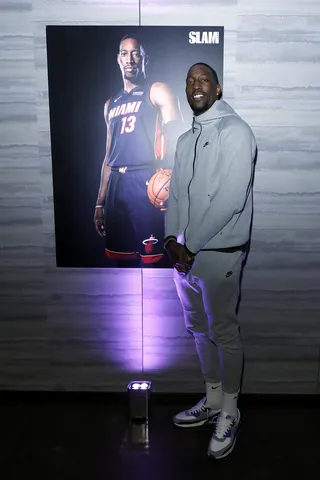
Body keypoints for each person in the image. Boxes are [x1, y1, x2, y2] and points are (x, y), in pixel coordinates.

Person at [164, 62, 257, 459]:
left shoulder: (237, 132)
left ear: (217, 89)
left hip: (219, 254)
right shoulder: (185, 140)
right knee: (199, 330)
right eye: (189, 80)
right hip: (183, 259)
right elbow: (177, 197)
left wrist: (191, 244)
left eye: (203, 79)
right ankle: (213, 401)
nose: (195, 85)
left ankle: (232, 412)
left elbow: (231, 199)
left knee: (224, 332)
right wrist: (171, 239)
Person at [94, 34, 182, 266]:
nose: (130, 59)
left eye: (135, 53)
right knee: (120, 261)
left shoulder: (157, 90)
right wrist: (99, 202)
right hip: (116, 183)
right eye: (124, 53)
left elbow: (180, 140)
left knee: (153, 259)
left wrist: (174, 184)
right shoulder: (110, 104)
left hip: (146, 179)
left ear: (145, 59)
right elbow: (108, 156)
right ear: (118, 59)